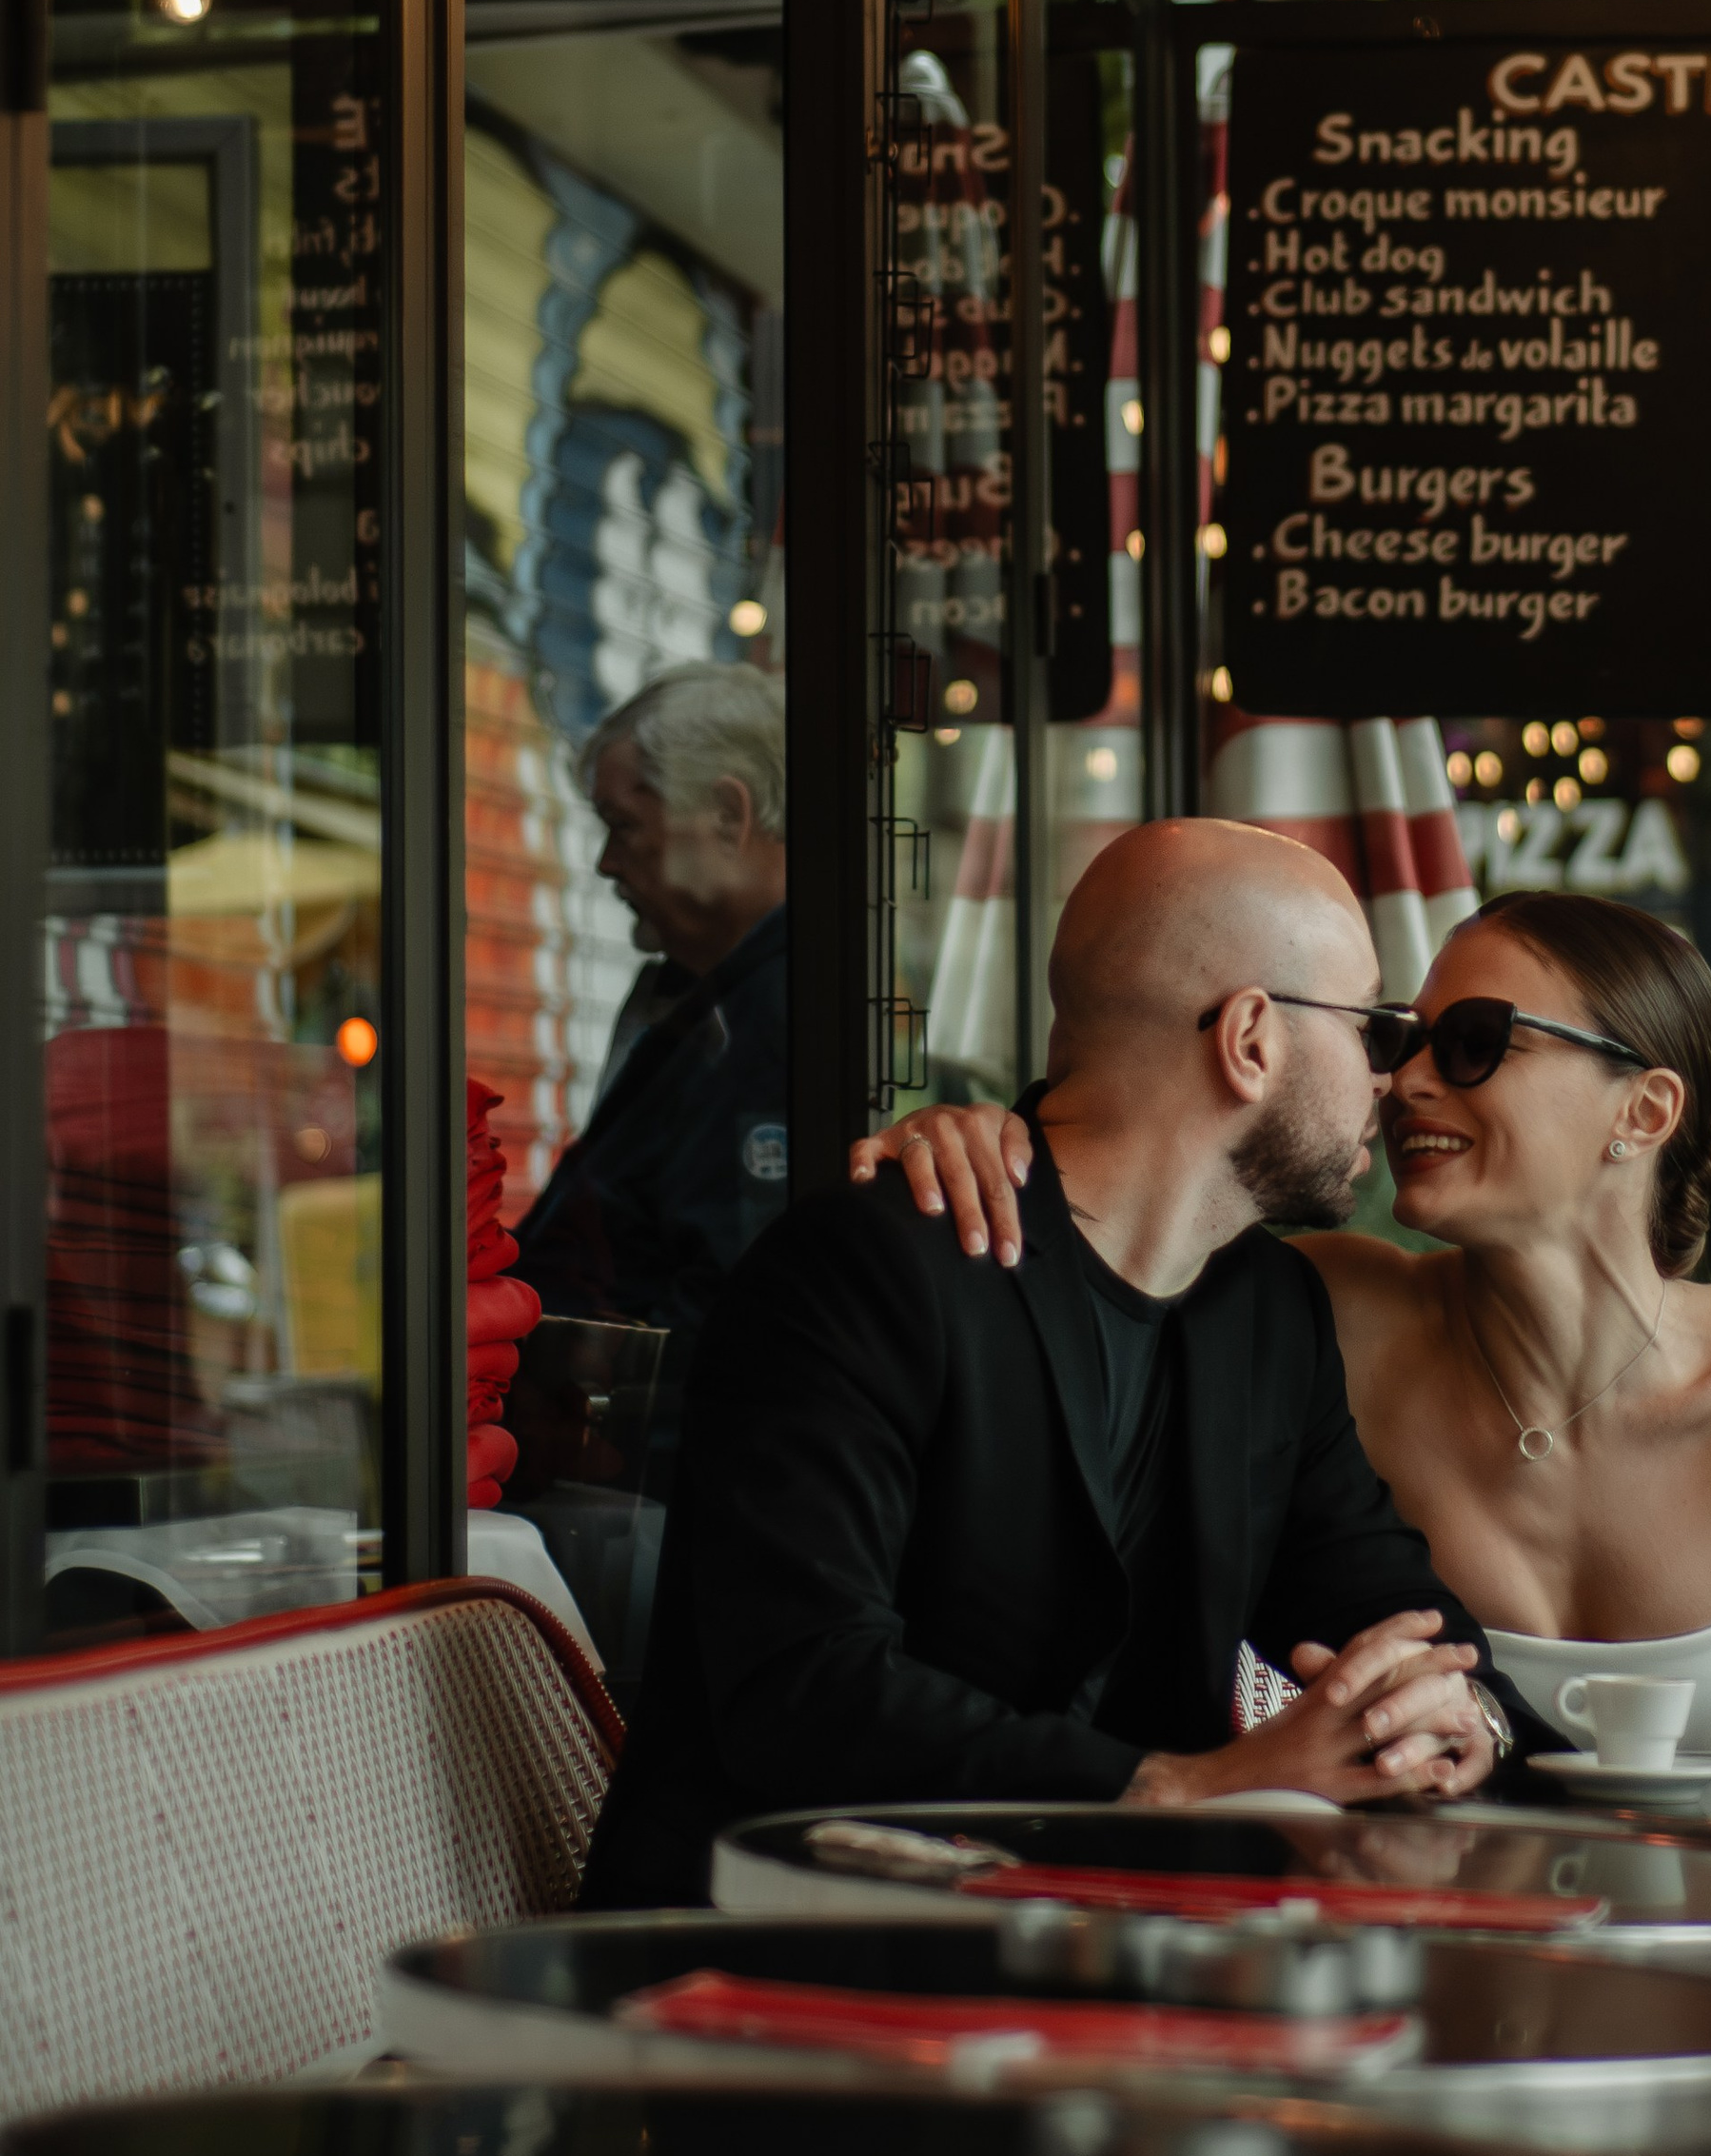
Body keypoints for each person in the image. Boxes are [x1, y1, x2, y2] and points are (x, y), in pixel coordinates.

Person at [580, 819, 1519, 1908]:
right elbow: (804, 1693)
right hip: (780, 1946)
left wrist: (1459, 1716)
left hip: (1104, 1948)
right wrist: (1181, 1788)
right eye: (1372, 1029)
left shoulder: (1268, 1310)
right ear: (1251, 1040)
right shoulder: (864, 1267)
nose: (1391, 1080)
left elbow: (1388, 1605)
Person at [859, 885, 1711, 1759]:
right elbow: (1122, 1217)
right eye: (1402, 1037)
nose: (1402, 1081)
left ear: (1644, 1111)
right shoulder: (1322, 1312)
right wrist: (991, 1144)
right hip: (1386, 1922)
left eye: (1474, 1043)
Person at [519, 659, 789, 1479]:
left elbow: (735, 1299)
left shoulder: (781, 1018)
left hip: (652, 1489)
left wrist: (618, 1453)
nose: (606, 863)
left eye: (625, 825)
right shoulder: (696, 996)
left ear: (729, 814)